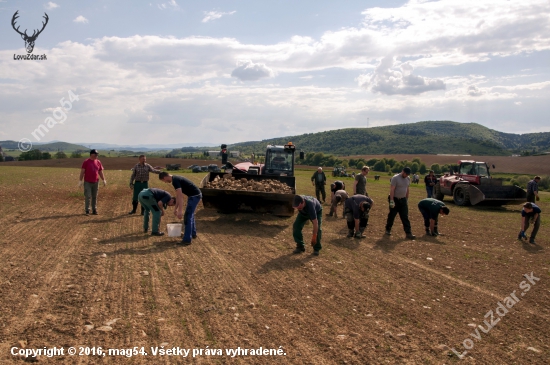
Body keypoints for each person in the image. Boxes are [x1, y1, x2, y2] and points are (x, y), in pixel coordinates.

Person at [159, 172, 202, 246]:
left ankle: (187, 240)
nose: (165, 182)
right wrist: (176, 208)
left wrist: (180, 211)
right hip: (195, 195)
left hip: (194, 196)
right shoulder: (175, 179)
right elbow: (178, 196)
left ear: (164, 178)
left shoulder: (175, 181)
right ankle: (193, 233)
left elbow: (181, 196)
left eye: (164, 181)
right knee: (190, 215)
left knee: (187, 217)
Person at [385, 167, 415, 239]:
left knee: (405, 216)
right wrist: (391, 201)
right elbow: (392, 189)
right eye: (406, 174)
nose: (406, 175)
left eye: (408, 174)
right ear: (403, 171)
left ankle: (408, 233)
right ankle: (388, 229)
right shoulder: (395, 178)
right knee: (392, 215)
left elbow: (407, 189)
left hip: (403, 200)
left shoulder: (408, 179)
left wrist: (407, 199)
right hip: (395, 199)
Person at [79, 149, 106, 216]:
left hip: (96, 182)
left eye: (97, 154)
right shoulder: (86, 162)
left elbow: (100, 172)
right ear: (91, 154)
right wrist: (80, 180)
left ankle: (94, 209)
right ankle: (87, 210)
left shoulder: (98, 162)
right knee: (88, 196)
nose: (97, 155)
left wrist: (103, 180)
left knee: (94, 196)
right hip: (88, 182)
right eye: (95, 154)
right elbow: (82, 171)